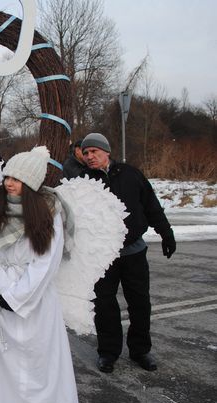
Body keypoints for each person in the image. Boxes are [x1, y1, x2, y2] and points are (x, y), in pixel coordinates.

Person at [0, 146, 82, 403]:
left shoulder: (49, 212)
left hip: (33, 302)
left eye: (17, 178)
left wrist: (15, 296)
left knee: (36, 372)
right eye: (7, 177)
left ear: (31, 183)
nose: (9, 183)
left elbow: (46, 262)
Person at [80, 133, 176, 373]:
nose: (90, 156)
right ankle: (108, 352)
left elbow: (151, 205)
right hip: (102, 255)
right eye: (86, 153)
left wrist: (166, 233)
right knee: (104, 305)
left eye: (94, 151)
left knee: (140, 302)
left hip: (133, 251)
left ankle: (140, 350)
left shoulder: (131, 174)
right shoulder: (83, 182)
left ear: (107, 152)